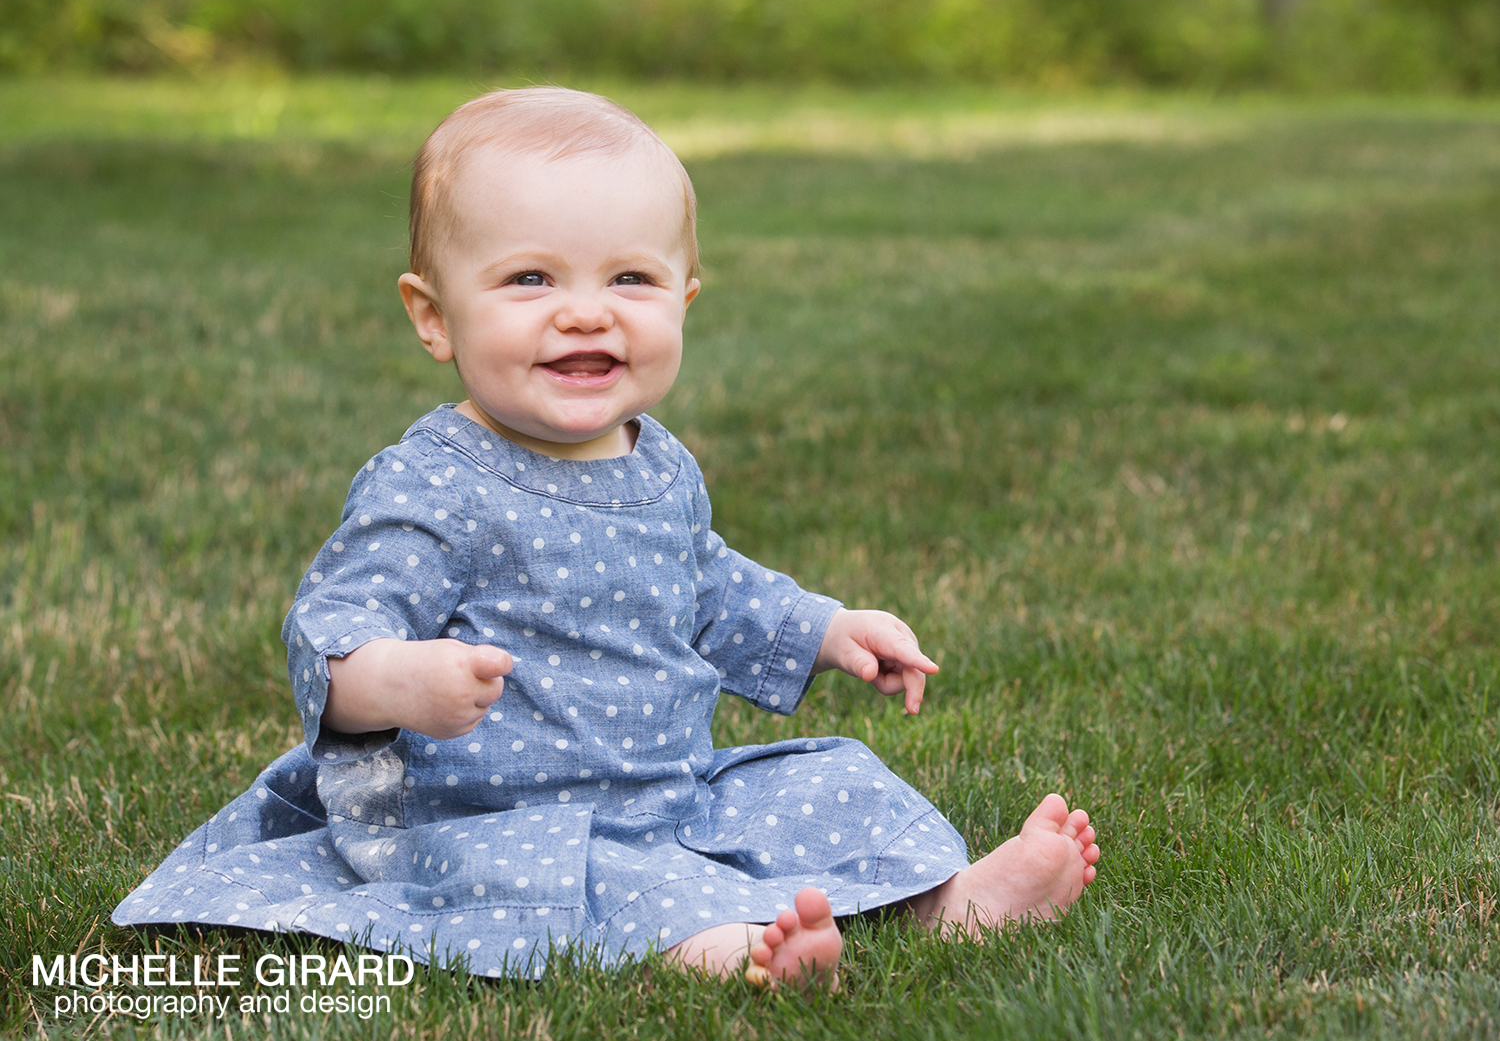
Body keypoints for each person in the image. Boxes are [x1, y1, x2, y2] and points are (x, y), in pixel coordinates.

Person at [112, 87, 1099, 989]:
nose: (586, 310)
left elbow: (707, 585)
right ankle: (733, 950)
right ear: (434, 316)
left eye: (630, 277)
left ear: (684, 301)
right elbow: (331, 624)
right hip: (495, 820)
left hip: (667, 791)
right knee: (590, 880)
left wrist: (826, 627)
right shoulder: (435, 484)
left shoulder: (656, 463)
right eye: (530, 278)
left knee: (836, 778)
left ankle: (950, 901)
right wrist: (400, 676)